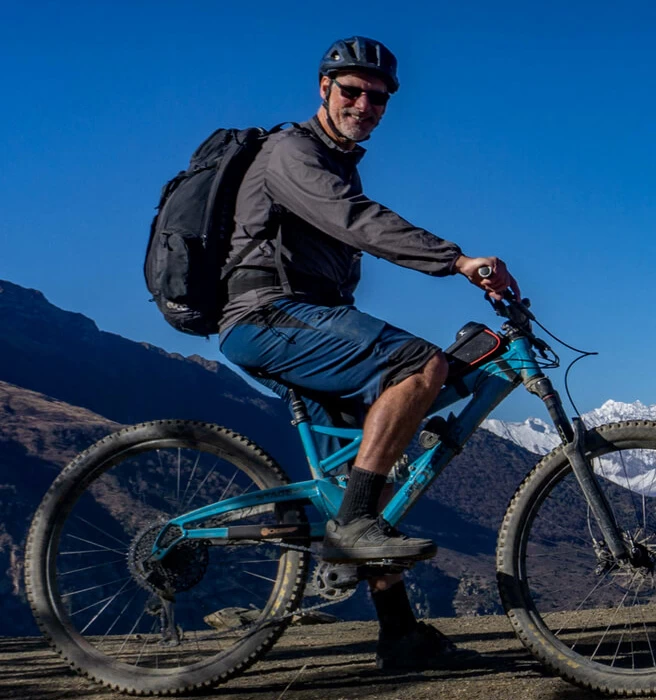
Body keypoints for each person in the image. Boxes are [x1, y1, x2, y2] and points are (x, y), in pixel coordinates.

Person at [217, 36, 514, 671]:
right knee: (419, 365)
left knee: (368, 477)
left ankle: (400, 635)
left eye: (377, 97)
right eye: (351, 91)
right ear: (323, 90)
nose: (364, 104)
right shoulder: (290, 152)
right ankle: (350, 527)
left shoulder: (337, 159)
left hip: (307, 318)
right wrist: (455, 260)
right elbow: (355, 221)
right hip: (267, 315)